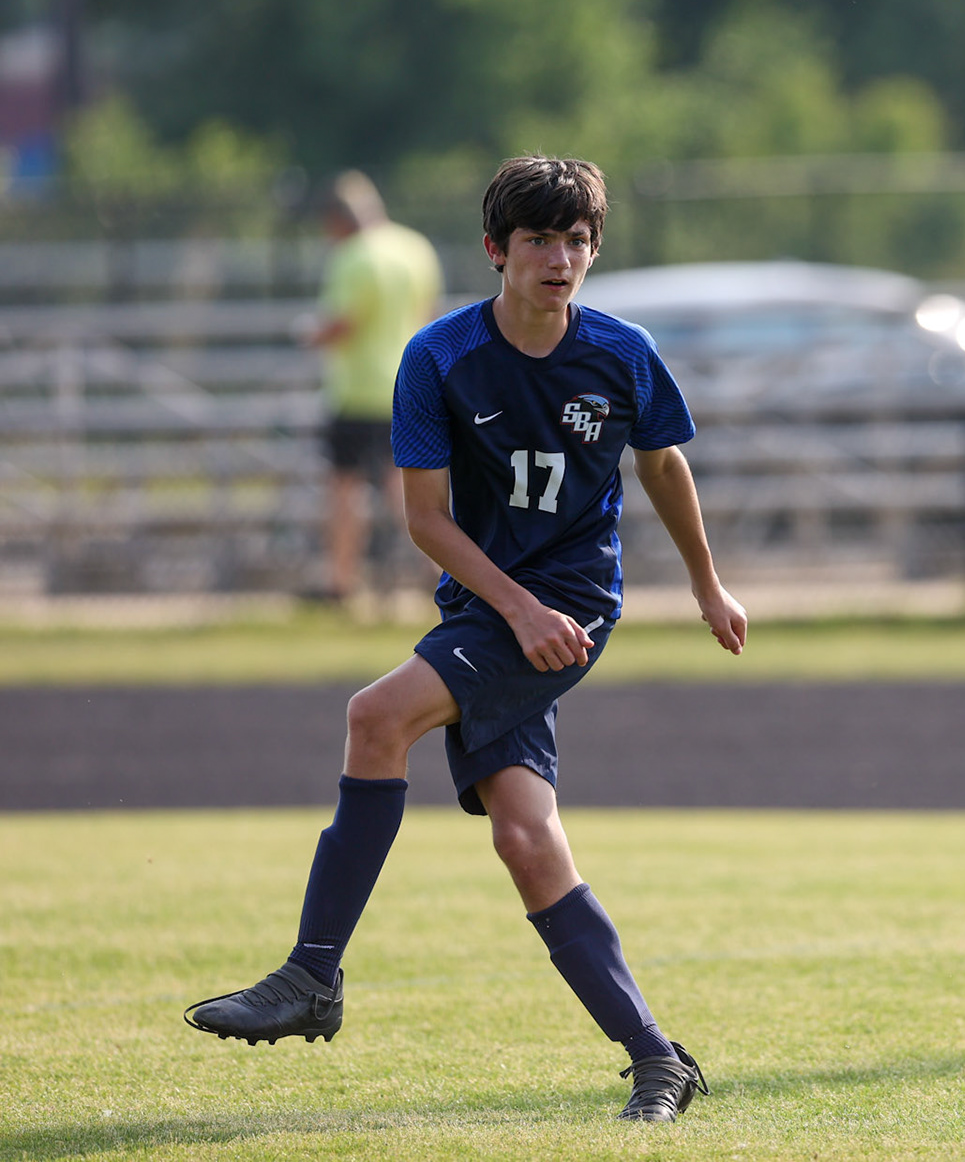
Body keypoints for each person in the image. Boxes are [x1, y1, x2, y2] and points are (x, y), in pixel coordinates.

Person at [186, 157, 748, 1125]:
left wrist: (705, 580)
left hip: (572, 602)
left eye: (576, 240)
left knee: (376, 714)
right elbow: (426, 518)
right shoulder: (439, 357)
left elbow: (662, 463)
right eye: (538, 239)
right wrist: (509, 607)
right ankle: (659, 1058)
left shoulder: (622, 352)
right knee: (527, 839)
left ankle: (312, 974)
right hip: (489, 607)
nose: (560, 257)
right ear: (496, 250)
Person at [308, 170, 444, 603]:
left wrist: (310, 335)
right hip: (410, 384)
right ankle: (438, 571)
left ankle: (342, 581)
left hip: (359, 390)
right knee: (407, 487)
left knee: (345, 489)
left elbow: (343, 323)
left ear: (337, 220)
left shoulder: (353, 256)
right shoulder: (415, 247)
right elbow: (431, 313)